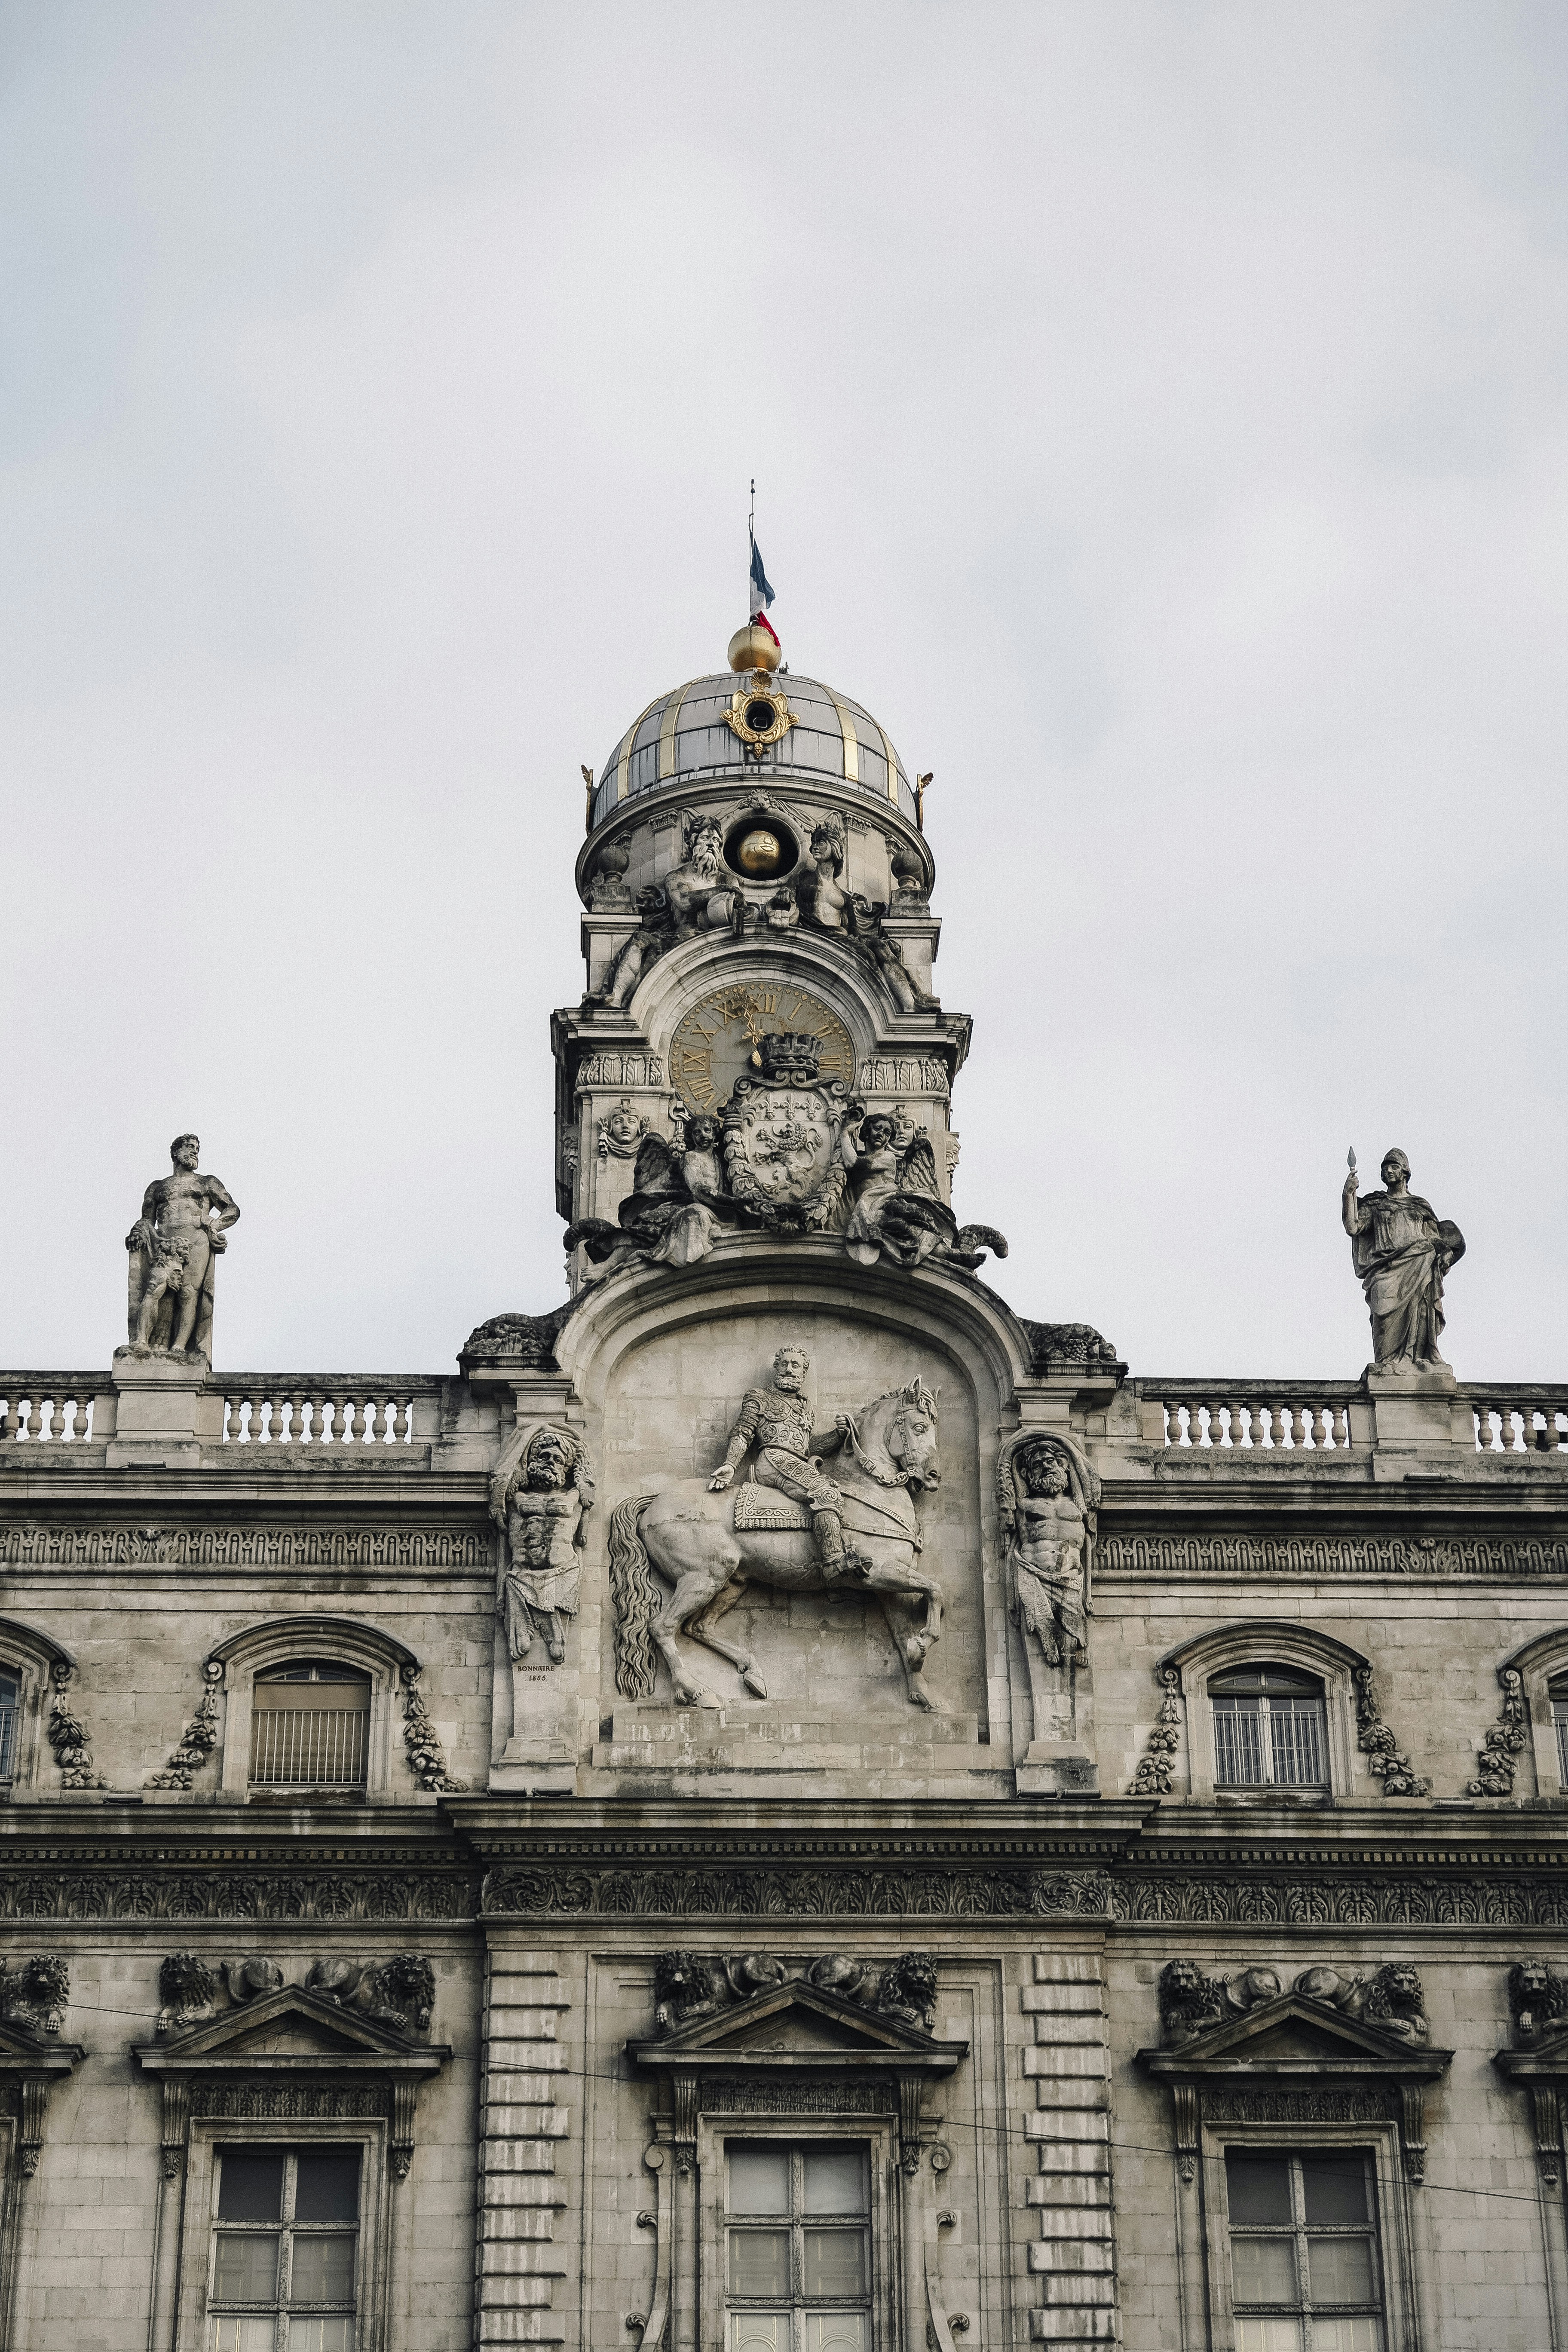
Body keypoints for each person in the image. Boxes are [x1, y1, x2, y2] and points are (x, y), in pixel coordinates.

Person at [707, 1343, 864, 1582]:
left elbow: (808, 1448)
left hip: (796, 1462)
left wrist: (838, 1435)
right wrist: (730, 1465)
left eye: (796, 1365)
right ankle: (832, 1562)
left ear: (803, 1373)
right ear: (776, 1368)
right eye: (784, 1364)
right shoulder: (759, 1397)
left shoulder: (807, 1408)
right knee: (825, 1493)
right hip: (772, 1459)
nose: (789, 1370)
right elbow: (743, 1432)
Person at [1342, 1148, 1464, 1373]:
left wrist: (1447, 1252)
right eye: (1385, 1168)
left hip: (1420, 1262)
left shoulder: (1419, 1206)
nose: (1389, 1171)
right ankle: (1387, 1363)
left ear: (1405, 1172)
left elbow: (1435, 1237)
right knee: (1382, 1317)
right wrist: (1348, 1196)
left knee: (1422, 1311)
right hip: (1385, 1270)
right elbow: (1353, 1227)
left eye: (1394, 1167)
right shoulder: (1375, 1204)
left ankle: (1421, 1357)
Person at [125, 1134, 240, 1358]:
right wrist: (137, 1232)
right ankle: (142, 1341)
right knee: (156, 1289)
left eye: (196, 1148)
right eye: (189, 1147)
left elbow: (232, 1210)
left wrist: (214, 1225)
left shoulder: (207, 1182)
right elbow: (147, 1221)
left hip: (196, 1240)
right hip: (165, 1243)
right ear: (175, 1153)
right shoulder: (157, 1187)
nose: (195, 1152)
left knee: (188, 1294)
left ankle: (180, 1347)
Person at [498, 1429, 588, 1666]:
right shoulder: (518, 1495)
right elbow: (524, 1504)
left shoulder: (573, 1495)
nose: (550, 1463)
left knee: (555, 1647)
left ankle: (554, 1631)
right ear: (533, 1461)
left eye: (558, 1460)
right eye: (545, 1456)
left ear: (566, 1469)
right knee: (524, 1644)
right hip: (521, 1575)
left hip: (563, 1572)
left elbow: (567, 1509)